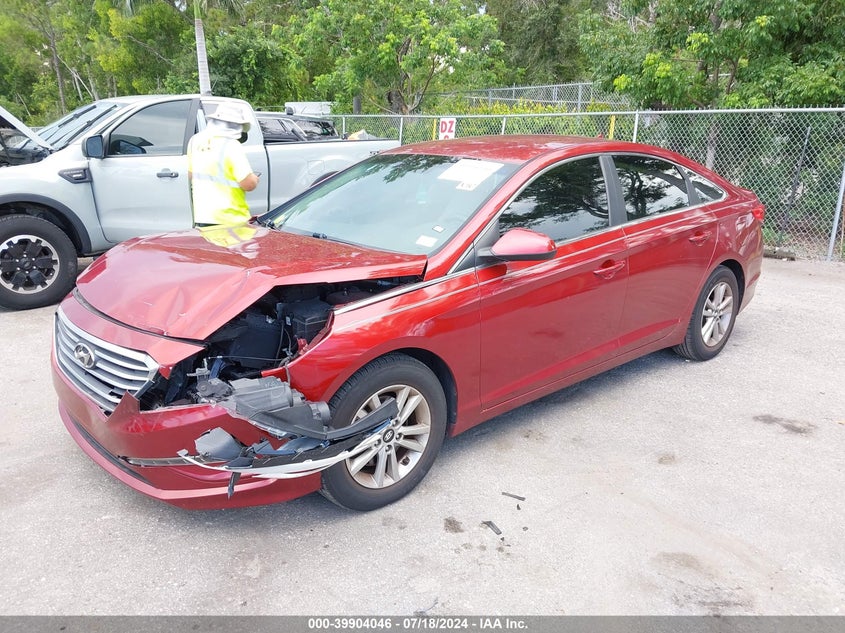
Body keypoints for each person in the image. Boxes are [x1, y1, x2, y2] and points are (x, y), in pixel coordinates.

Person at [187, 103, 260, 227]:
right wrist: (255, 179)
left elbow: (190, 174)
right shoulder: (231, 145)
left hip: (202, 216)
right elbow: (248, 184)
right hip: (231, 219)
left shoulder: (195, 140)